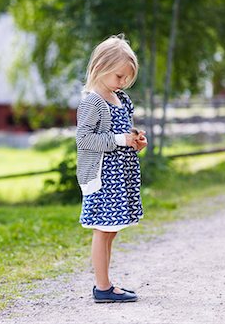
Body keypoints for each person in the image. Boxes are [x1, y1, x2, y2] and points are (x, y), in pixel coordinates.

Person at [76, 34, 148, 303]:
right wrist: (120, 140)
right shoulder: (92, 102)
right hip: (103, 177)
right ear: (101, 67)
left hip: (120, 177)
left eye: (127, 79)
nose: (123, 83)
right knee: (102, 229)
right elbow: (83, 139)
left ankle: (105, 284)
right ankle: (102, 287)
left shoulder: (121, 99)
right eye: (119, 77)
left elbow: (123, 132)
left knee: (111, 229)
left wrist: (134, 141)